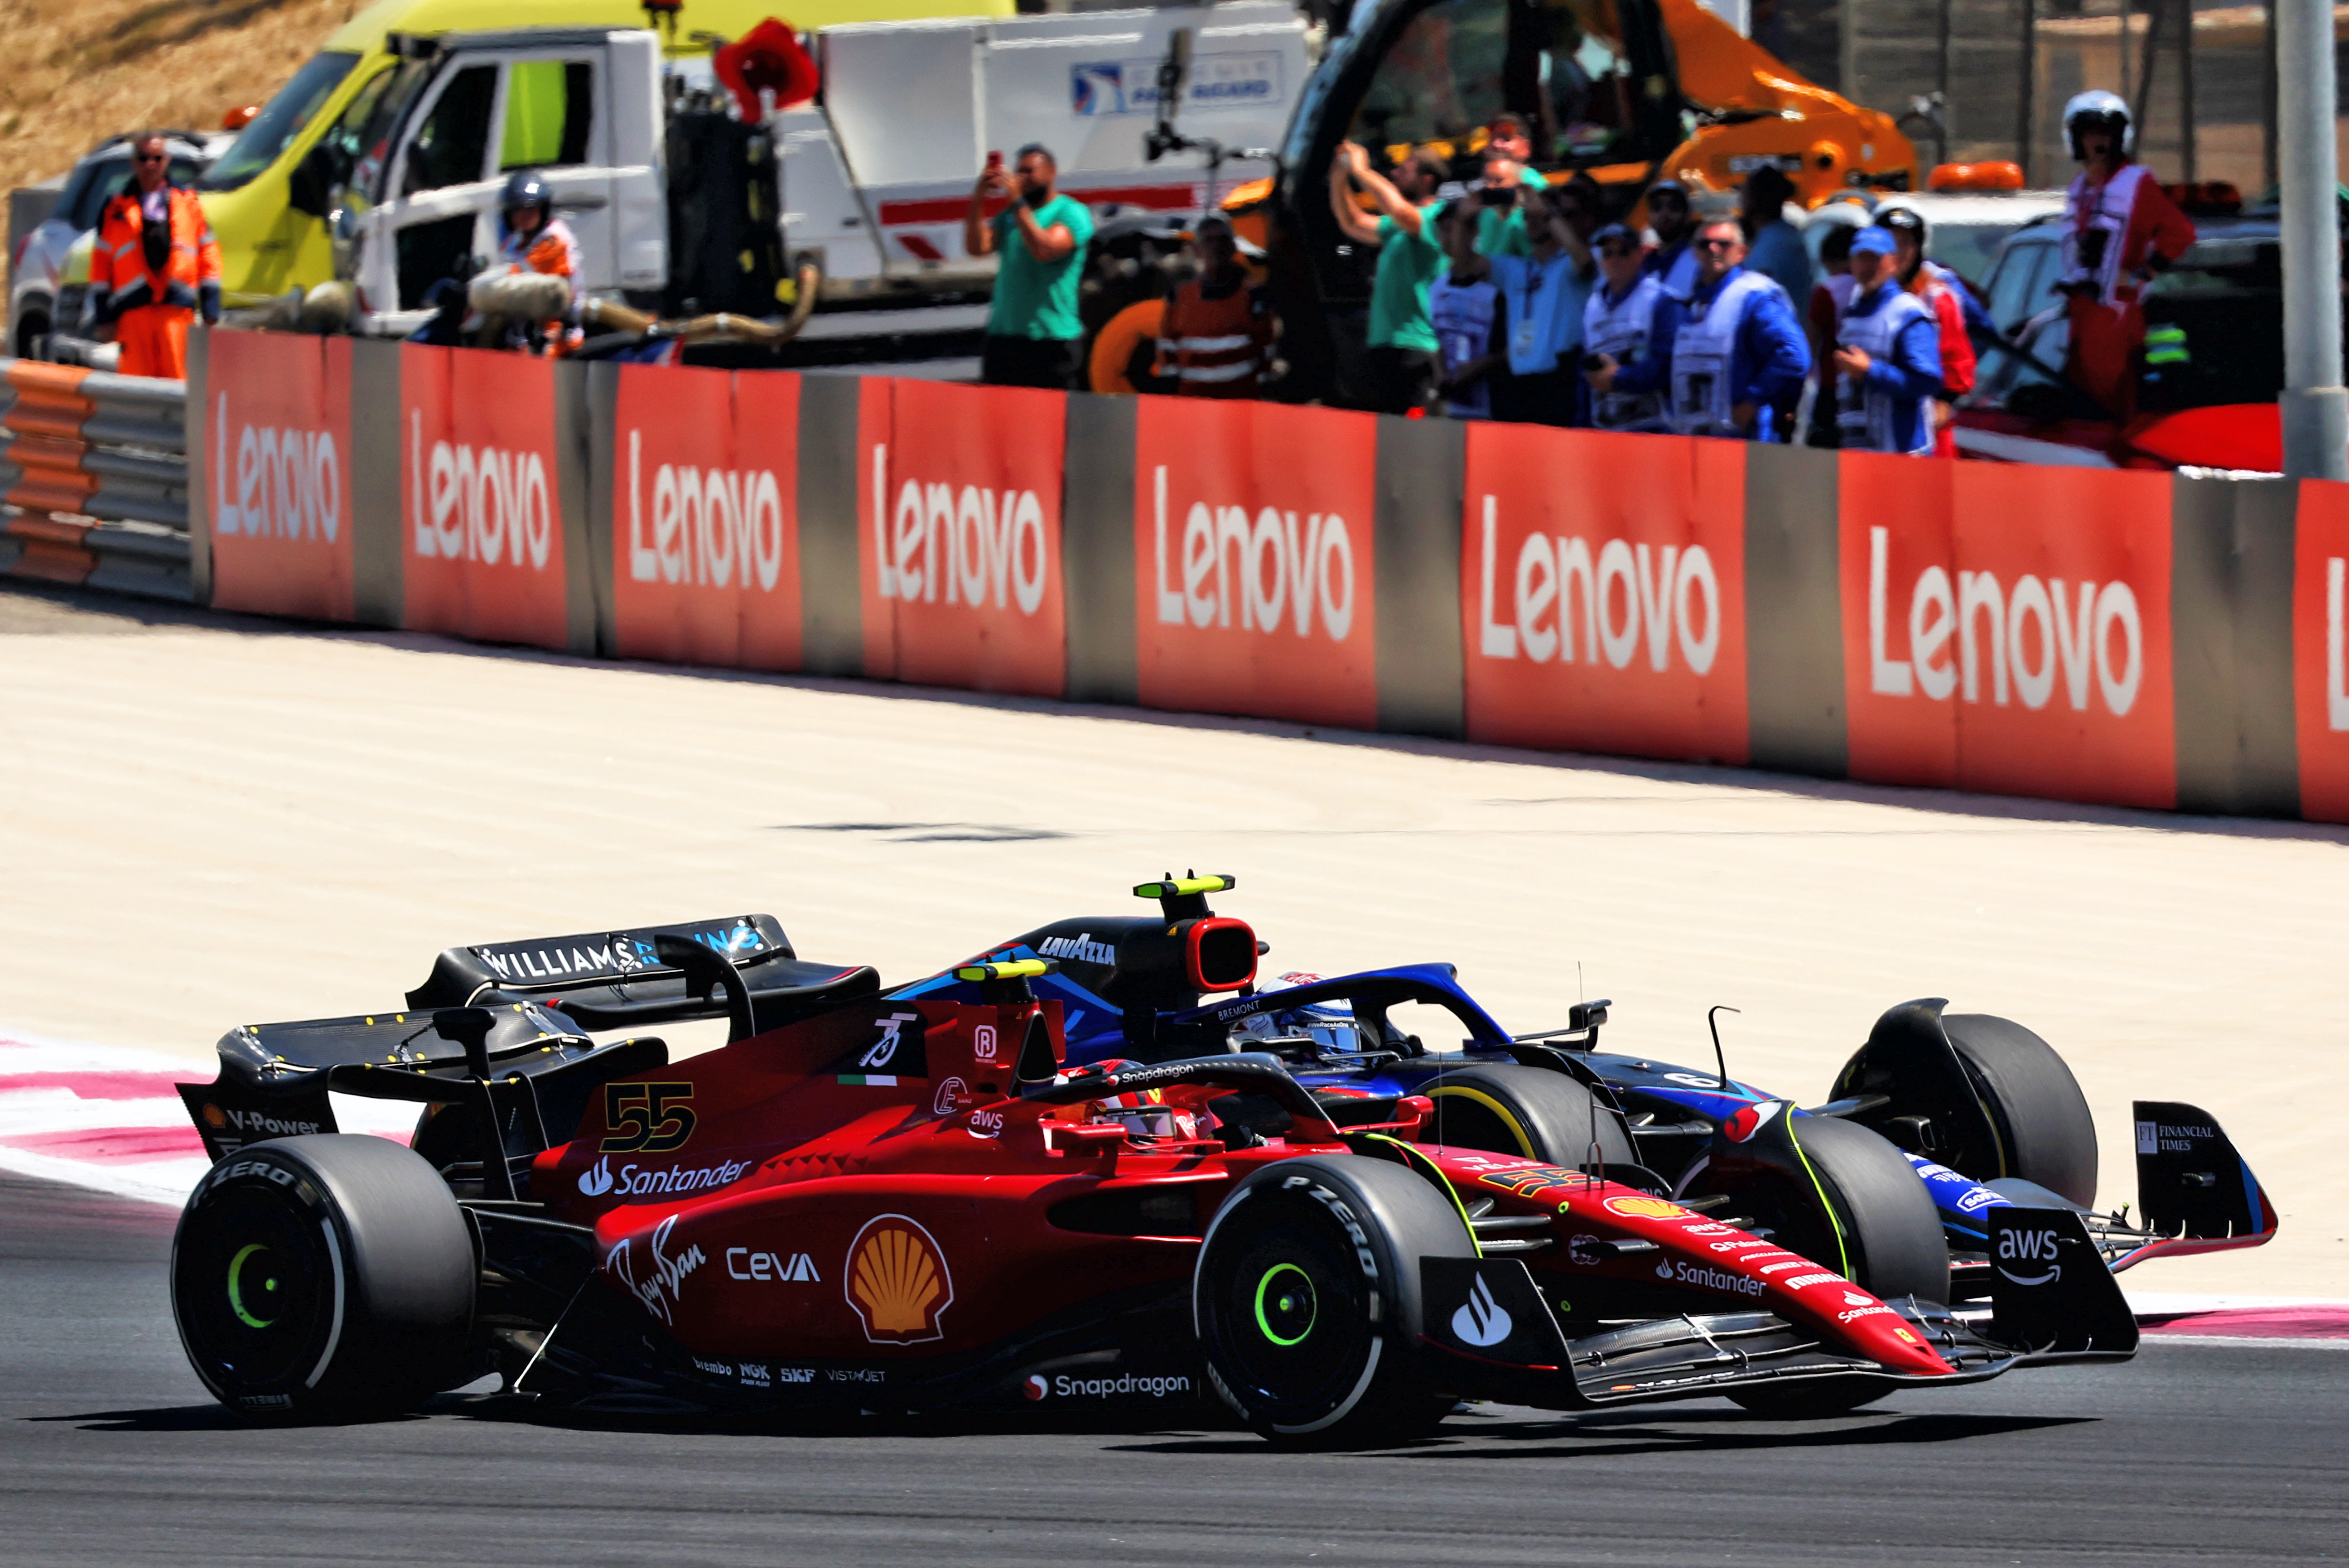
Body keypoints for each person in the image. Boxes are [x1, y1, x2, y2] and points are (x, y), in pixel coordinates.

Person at [1588, 214, 1809, 439]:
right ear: (1694, 252)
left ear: (1742, 252)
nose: (1713, 249)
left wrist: (1751, 403)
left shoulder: (1755, 295)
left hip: (1748, 439)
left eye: (1724, 244)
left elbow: (1793, 356)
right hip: (1698, 441)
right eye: (1704, 244)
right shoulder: (1693, 303)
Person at [2054, 90, 2195, 419]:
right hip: (2081, 312)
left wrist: (2142, 273)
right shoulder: (2079, 188)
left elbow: (2181, 233)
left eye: (2105, 133)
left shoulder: (2136, 184)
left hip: (2115, 313)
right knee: (2078, 410)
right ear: (2074, 138)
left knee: (2107, 411)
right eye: (2089, 133)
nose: (2097, 141)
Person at [1329, 141, 1450, 414]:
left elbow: (1401, 211)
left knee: (1418, 431)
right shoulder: (1397, 227)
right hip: (1387, 344)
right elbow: (1353, 223)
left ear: (1426, 180)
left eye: (1404, 170)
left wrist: (1362, 170)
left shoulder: (1436, 217)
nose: (1394, 175)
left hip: (1418, 347)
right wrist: (1339, 179)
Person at [88, 133, 220, 380]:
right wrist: (104, 317)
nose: (151, 164)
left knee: (179, 387)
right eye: (144, 158)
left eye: (157, 158)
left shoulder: (188, 203)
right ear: (133, 163)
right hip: (134, 317)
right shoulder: (115, 209)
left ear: (167, 161)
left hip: (177, 314)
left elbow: (208, 252)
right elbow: (100, 266)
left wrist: (211, 304)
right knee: (136, 391)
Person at [966, 143, 1096, 389]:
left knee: (1053, 423)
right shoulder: (1009, 216)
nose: (1022, 179)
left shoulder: (1070, 212)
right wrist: (979, 195)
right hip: (1005, 340)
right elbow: (976, 247)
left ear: (1052, 172)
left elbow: (1045, 250)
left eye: (1030, 172)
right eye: (1019, 172)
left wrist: (1016, 201)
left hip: (1052, 342)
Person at [1829, 226, 1943, 455]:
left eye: (1876, 259)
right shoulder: (1851, 313)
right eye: (1862, 258)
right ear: (1852, 263)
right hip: (1859, 452)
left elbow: (1929, 381)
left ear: (1893, 263)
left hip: (1902, 454)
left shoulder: (1907, 313)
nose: (1868, 267)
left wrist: (1871, 371)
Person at [1486, 186, 1594, 425]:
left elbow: (1585, 264)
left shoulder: (1573, 262)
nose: (1531, 220)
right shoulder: (1516, 268)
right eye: (1527, 214)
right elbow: (1464, 263)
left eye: (1538, 214)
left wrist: (1547, 213)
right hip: (1518, 386)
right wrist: (1465, 218)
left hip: (1561, 385)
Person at [1878, 206, 1975, 456]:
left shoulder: (1938, 298)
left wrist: (1943, 405)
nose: (1897, 251)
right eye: (1889, 242)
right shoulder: (1857, 297)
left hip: (1924, 437)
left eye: (1905, 243)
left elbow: (1958, 364)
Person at [1154, 214, 1277, 398]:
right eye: (1209, 240)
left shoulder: (1255, 296)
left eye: (1223, 240)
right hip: (1194, 405)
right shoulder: (1179, 297)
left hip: (1242, 403)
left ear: (1234, 247)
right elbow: (1167, 352)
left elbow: (1266, 352)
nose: (1216, 246)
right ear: (1197, 250)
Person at [1577, 223, 1669, 431]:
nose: (1615, 259)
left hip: (1652, 428)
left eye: (1624, 252)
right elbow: (1584, 375)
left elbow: (1667, 365)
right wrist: (1581, 426)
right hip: (1604, 430)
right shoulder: (1593, 306)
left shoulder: (1659, 300)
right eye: (1608, 253)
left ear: (1639, 255)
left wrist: (1618, 379)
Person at [483, 171, 583, 353]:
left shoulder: (553, 240)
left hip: (553, 336)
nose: (525, 215)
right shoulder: (520, 241)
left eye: (531, 209)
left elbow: (549, 291)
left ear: (543, 210)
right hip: (525, 333)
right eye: (518, 210)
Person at [1429, 202, 1500, 419]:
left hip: (1493, 409)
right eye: (1442, 230)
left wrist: (1476, 369)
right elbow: (1437, 341)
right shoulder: (1437, 287)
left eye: (1452, 229)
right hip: (1454, 409)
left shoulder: (1496, 282)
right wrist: (1442, 376)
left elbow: (1510, 350)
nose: (1446, 237)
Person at [1804, 221, 1857, 446]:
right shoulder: (1881, 287)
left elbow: (1811, 343)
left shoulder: (1828, 290)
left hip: (1831, 387)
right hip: (1868, 385)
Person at [1741, 167, 1813, 305]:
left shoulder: (1773, 246)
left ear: (1755, 200)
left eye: (1745, 192)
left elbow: (1759, 300)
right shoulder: (1784, 235)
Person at [1640, 179, 1700, 300]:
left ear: (1687, 215)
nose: (1665, 214)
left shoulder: (1699, 259)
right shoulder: (1644, 263)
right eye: (1657, 207)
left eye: (1674, 207)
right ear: (1649, 216)